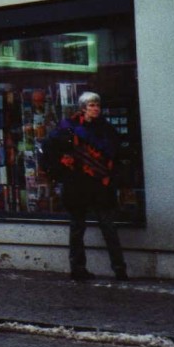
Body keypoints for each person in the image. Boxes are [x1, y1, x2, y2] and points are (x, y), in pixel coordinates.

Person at [41, 91, 128, 281]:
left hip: (100, 185)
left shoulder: (106, 129)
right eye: (91, 105)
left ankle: (120, 269)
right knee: (77, 228)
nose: (96, 109)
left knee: (109, 227)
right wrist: (61, 171)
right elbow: (49, 149)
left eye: (97, 105)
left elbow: (115, 153)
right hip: (77, 184)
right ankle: (78, 269)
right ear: (83, 108)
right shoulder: (68, 129)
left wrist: (112, 176)